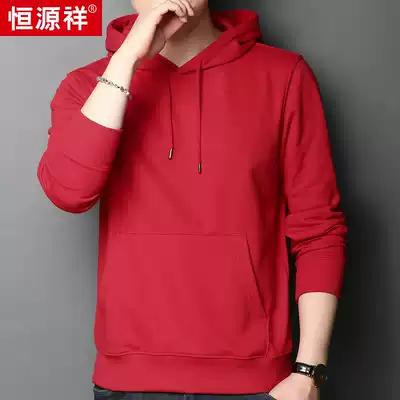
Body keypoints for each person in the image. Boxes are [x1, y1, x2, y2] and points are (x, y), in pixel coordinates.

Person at [37, 0, 348, 399]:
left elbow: (318, 228)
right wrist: (126, 60)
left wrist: (309, 372)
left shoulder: (283, 75)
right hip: (130, 381)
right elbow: (69, 191)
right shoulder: (88, 84)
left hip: (257, 383)